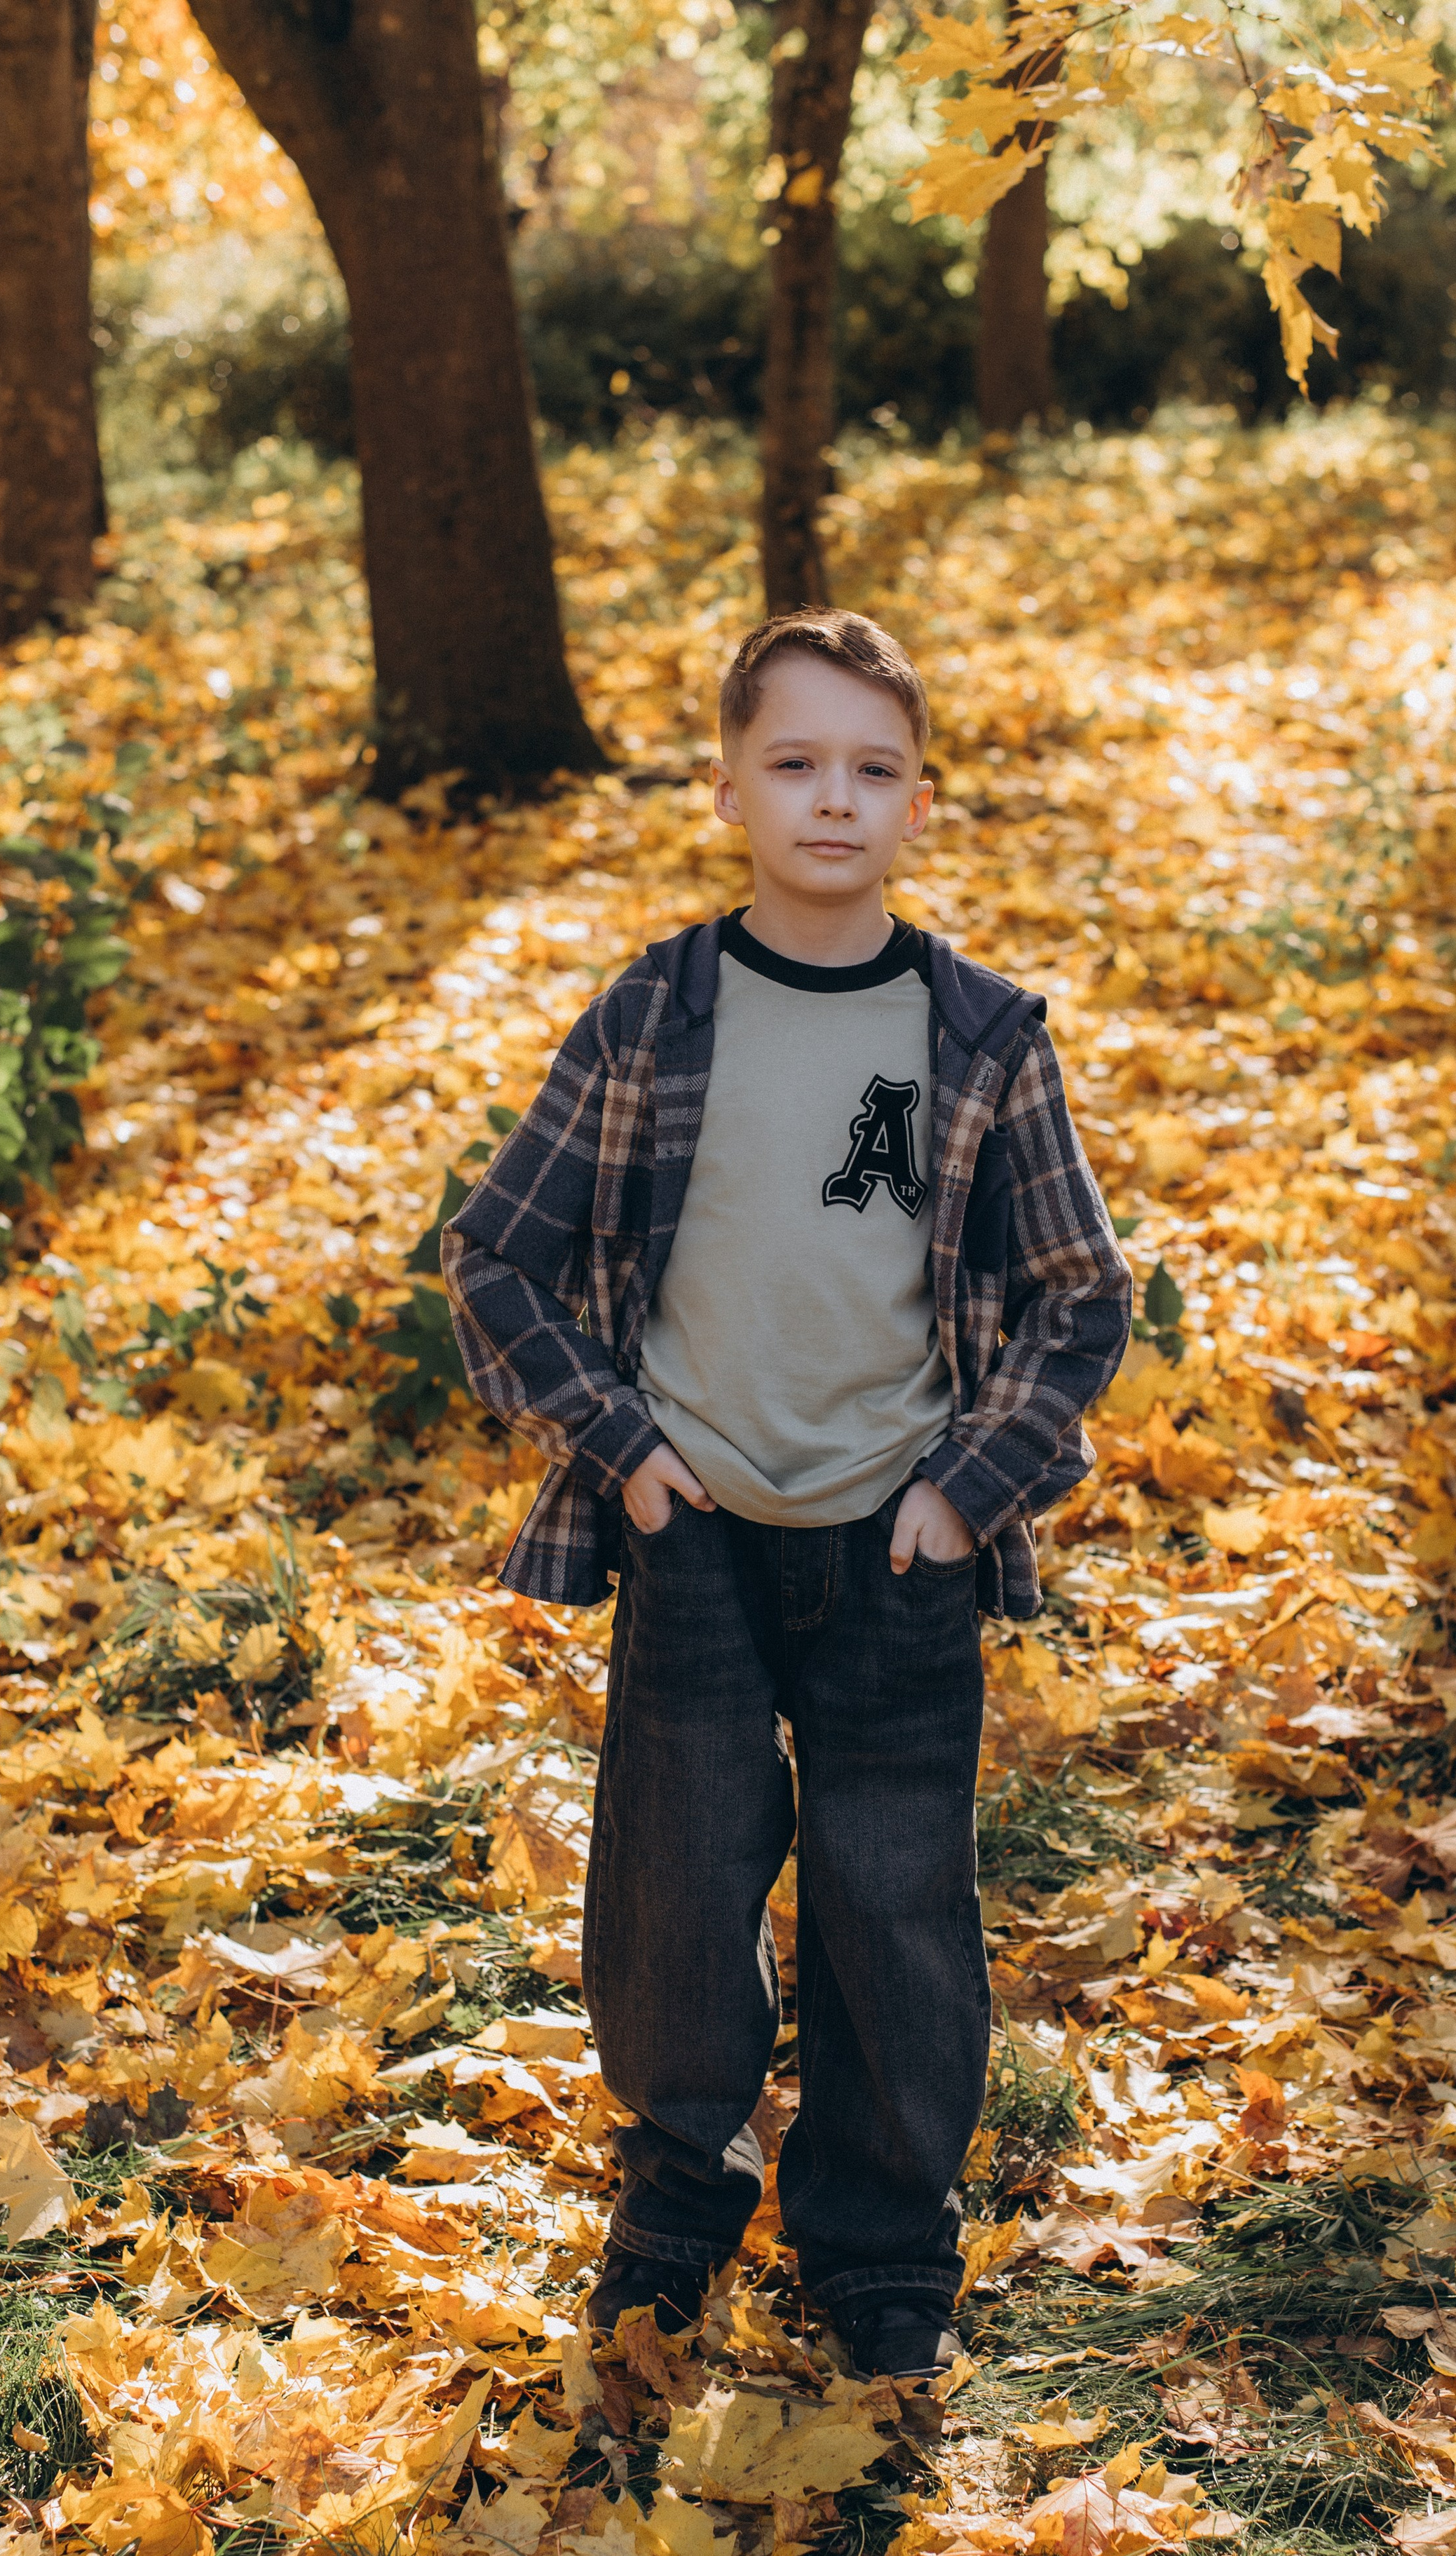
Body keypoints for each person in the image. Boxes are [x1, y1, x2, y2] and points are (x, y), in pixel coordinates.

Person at [444, 609, 1130, 2379]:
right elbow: (495, 1262)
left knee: (892, 1898)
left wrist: (964, 1494)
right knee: (673, 1888)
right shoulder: (654, 1016)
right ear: (730, 782)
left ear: (916, 801)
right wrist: (628, 1457)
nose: (833, 799)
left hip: (896, 1539)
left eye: (873, 769)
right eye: (796, 762)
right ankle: (679, 2182)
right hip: (696, 1535)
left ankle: (883, 2232)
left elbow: (1080, 1294)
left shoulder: (975, 1036)